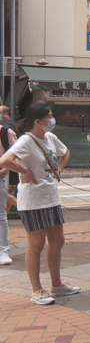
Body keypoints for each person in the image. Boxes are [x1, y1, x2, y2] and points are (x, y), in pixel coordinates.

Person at [0, 103, 80, 305]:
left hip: (51, 198)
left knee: (57, 241)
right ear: (37, 121)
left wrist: (58, 170)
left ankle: (57, 285)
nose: (52, 120)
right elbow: (5, 160)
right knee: (36, 245)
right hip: (33, 200)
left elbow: (65, 152)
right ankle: (36, 290)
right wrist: (24, 172)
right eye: (49, 117)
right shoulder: (27, 141)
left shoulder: (50, 137)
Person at [0, 106, 17, 265]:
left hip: (1, 175)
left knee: (0, 215)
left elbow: (16, 154)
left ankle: (3, 251)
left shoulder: (6, 133)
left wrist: (4, 170)